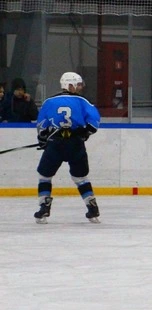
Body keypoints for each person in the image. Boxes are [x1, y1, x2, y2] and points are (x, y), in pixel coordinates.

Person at [33, 72, 101, 223]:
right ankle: (92, 206)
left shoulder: (49, 102)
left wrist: (43, 139)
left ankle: (44, 207)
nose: (80, 88)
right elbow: (95, 121)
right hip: (75, 144)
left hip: (55, 144)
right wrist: (85, 132)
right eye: (77, 85)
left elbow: (41, 124)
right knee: (80, 177)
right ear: (69, 85)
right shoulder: (83, 101)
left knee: (45, 176)